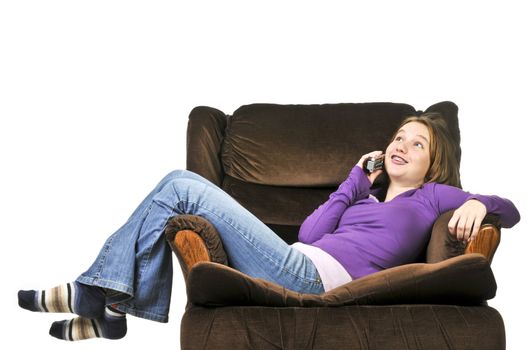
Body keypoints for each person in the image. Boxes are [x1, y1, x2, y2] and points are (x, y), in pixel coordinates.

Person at [17, 113, 520, 341]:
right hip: (300, 261)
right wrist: (353, 180)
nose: (402, 146)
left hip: (314, 281)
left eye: (417, 144)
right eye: (398, 137)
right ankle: (110, 306)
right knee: (174, 198)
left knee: (179, 183)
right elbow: (308, 233)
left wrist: (481, 204)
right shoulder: (362, 193)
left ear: (433, 164)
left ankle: (101, 298)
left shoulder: (434, 195)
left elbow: (512, 209)